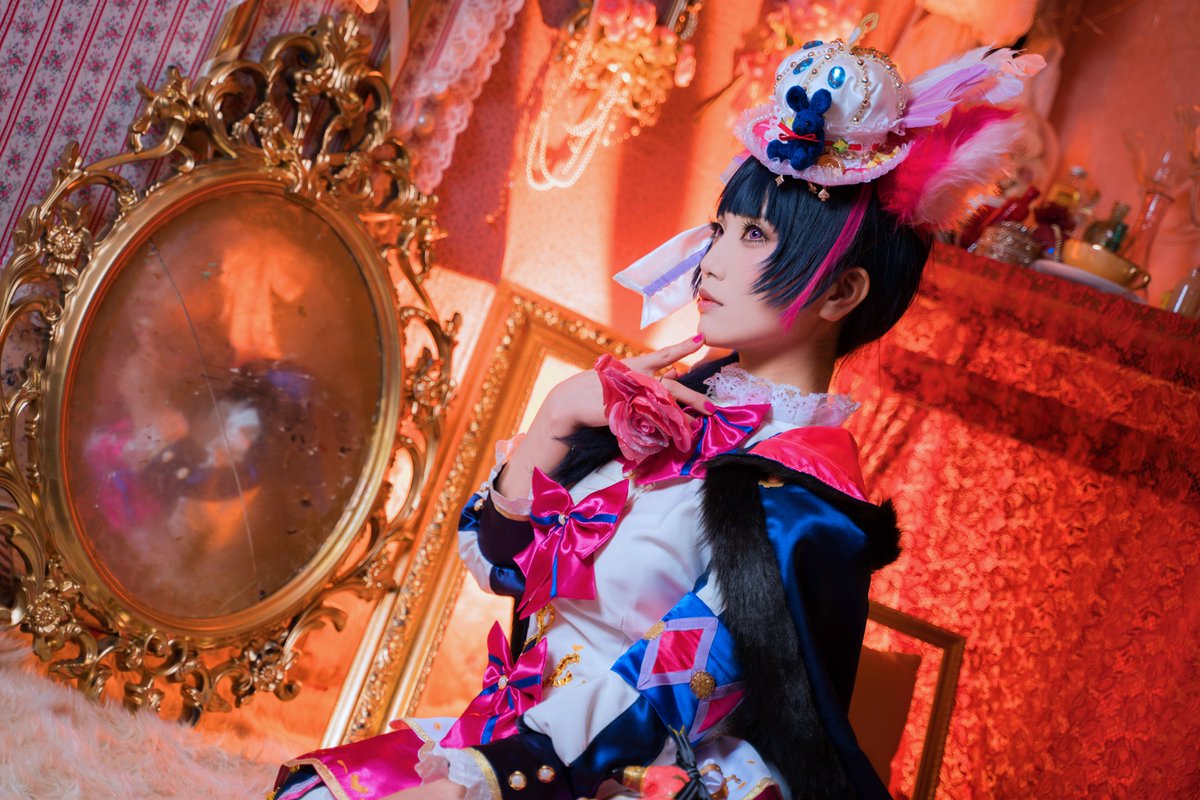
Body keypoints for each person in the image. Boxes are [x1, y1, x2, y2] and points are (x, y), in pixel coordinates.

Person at [271, 15, 1039, 800]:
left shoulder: (802, 505)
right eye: (720, 228)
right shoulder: (675, 410)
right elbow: (503, 564)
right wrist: (553, 421)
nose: (713, 261)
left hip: (631, 768)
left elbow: (671, 688)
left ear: (841, 291)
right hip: (516, 733)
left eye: (754, 236)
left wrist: (498, 777)